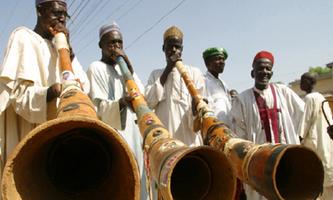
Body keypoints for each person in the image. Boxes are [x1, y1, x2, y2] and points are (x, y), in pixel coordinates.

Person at [0, 0, 89, 182]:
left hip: (59, 140)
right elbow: (18, 98)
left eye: (65, 15)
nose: (61, 19)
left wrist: (68, 50)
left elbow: (82, 88)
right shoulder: (23, 37)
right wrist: (50, 92)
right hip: (29, 135)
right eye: (56, 13)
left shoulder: (63, 48)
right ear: (40, 11)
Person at [230, 51, 304, 200]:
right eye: (260, 68)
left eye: (268, 69)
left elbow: (301, 111)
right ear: (252, 72)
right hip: (258, 163)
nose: (264, 72)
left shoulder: (284, 92)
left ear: (272, 72)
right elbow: (239, 134)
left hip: (285, 157)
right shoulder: (242, 100)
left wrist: (295, 136)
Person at [86, 22, 148, 200]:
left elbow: (142, 98)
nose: (116, 48)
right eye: (111, 43)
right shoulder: (95, 68)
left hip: (134, 135)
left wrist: (129, 66)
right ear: (101, 45)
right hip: (114, 135)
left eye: (119, 43)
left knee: (139, 178)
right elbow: (98, 108)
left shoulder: (125, 70)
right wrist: (120, 103)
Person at [145, 26, 204, 147]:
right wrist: (168, 69)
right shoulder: (155, 74)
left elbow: (198, 116)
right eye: (169, 47)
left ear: (182, 49)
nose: (173, 50)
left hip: (189, 141)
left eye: (177, 47)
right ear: (163, 48)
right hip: (165, 142)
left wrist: (195, 109)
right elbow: (149, 102)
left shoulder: (194, 73)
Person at [298, 72, 333, 200]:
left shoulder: (309, 98)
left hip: (315, 143)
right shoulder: (321, 97)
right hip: (326, 142)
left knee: (316, 180)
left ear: (308, 82)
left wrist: (296, 142)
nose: (301, 83)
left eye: (302, 80)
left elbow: (304, 123)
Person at [202, 47, 232, 123]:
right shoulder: (202, 81)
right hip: (213, 129)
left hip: (227, 129)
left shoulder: (224, 84)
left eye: (223, 59)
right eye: (218, 59)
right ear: (207, 63)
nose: (222, 62)